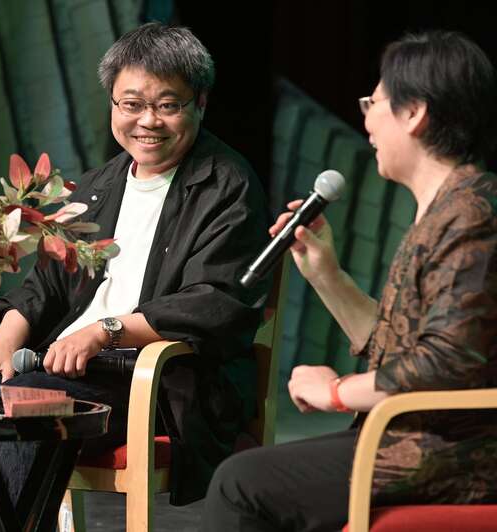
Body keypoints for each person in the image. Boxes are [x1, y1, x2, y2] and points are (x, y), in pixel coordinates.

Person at [0, 22, 271, 531]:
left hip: (161, 382)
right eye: (131, 104)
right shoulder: (98, 185)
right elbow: (46, 284)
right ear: (112, 104)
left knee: (28, 407)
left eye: (167, 105)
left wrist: (104, 332)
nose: (148, 121)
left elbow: (213, 302)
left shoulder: (227, 184)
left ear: (200, 103)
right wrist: (4, 342)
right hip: (63, 369)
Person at [202, 30, 497, 532]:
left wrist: (337, 391)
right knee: (249, 475)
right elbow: (397, 349)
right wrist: (327, 275)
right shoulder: (448, 208)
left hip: (454, 452)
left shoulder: (473, 214)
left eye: (373, 102)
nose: (366, 118)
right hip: (414, 440)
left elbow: (445, 364)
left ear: (414, 113)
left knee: (240, 484)